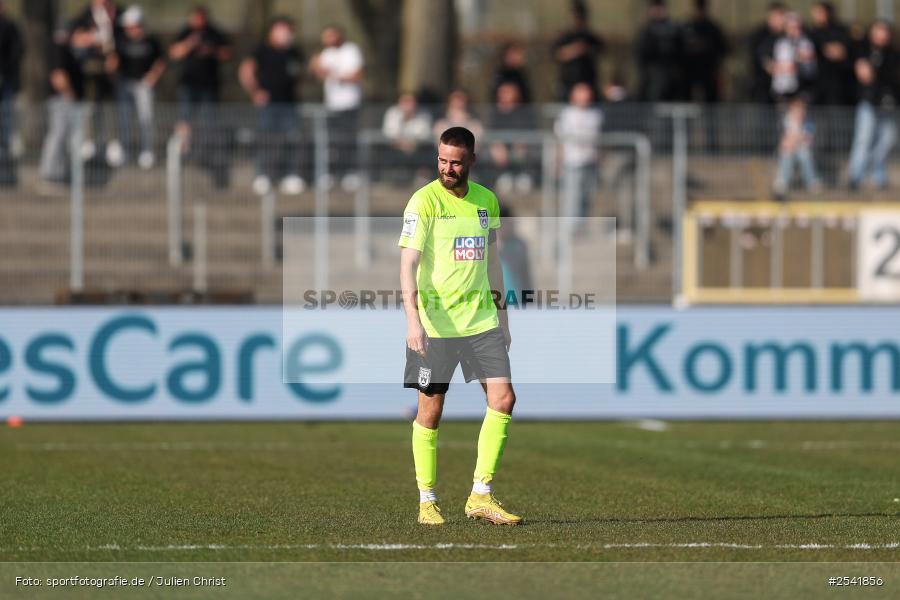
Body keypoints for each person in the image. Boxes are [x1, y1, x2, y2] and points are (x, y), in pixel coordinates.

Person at [399, 126, 521, 526]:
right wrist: (413, 322)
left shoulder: (486, 201)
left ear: (471, 160)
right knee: (430, 412)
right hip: (434, 325)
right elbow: (407, 265)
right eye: (442, 160)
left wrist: (502, 316)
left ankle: (480, 495)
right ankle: (427, 501)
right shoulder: (424, 202)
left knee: (503, 400)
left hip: (481, 321)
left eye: (455, 162)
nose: (447, 169)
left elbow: (491, 264)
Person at [239, 16, 305, 196]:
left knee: (293, 139)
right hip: (269, 105)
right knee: (267, 139)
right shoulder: (261, 50)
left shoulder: (294, 52)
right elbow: (246, 71)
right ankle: (264, 175)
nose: (286, 34)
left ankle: (291, 175)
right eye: (282, 30)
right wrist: (255, 92)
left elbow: (300, 75)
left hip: (290, 104)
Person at [169, 5, 233, 188]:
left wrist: (211, 50)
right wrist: (190, 44)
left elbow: (228, 53)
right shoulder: (185, 33)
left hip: (209, 86)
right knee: (185, 119)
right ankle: (182, 150)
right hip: (188, 85)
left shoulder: (215, 33)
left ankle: (207, 151)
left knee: (209, 121)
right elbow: (174, 53)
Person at [309, 24, 364, 191]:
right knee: (331, 142)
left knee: (348, 140)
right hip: (331, 105)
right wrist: (315, 65)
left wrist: (333, 74)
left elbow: (356, 75)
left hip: (349, 104)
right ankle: (331, 173)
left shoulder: (351, 51)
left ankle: (350, 173)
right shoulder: (326, 54)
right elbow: (318, 74)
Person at [109, 6, 165, 170]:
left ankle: (147, 151)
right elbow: (113, 61)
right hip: (125, 85)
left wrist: (153, 76)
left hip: (143, 85)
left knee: (146, 118)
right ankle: (125, 151)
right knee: (124, 120)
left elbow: (161, 60)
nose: (129, 30)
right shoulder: (121, 41)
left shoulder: (151, 40)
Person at [68, 0, 121, 166]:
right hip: (92, 69)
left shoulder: (117, 14)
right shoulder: (84, 17)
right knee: (91, 106)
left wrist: (114, 57)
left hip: (112, 71)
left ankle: (113, 144)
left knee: (111, 107)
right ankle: (89, 141)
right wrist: (93, 39)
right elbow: (74, 38)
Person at [847, 21, 899, 191]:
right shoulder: (863, 51)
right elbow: (865, 76)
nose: (882, 35)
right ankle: (856, 176)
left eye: (885, 32)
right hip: (869, 102)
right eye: (878, 31)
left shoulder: (893, 54)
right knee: (863, 139)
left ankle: (877, 173)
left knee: (888, 140)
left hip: (889, 104)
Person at [38, 27, 87, 191]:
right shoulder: (58, 49)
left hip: (71, 99)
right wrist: (69, 93)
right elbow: (58, 76)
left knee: (68, 138)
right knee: (58, 135)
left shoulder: (70, 51)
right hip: (64, 100)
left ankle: (62, 172)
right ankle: (50, 173)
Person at [554, 82, 603, 220]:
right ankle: (570, 231)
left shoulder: (596, 114)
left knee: (587, 198)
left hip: (590, 162)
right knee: (572, 199)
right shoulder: (566, 114)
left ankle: (583, 229)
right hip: (572, 163)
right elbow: (560, 141)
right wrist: (558, 163)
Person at [486, 82, 536, 194]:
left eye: (509, 91)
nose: (506, 95)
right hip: (502, 152)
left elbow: (531, 132)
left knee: (523, 151)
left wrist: (524, 142)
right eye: (503, 92)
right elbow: (491, 133)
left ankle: (523, 176)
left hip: (521, 150)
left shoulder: (525, 112)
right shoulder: (494, 113)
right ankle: (502, 176)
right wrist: (496, 144)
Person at [551, 1, 604, 101]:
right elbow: (556, 54)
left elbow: (600, 50)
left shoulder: (590, 36)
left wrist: (586, 49)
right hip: (568, 83)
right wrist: (574, 50)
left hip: (588, 82)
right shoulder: (564, 36)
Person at [635, 0, 685, 102]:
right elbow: (641, 53)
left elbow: (681, 51)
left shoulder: (674, 29)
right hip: (652, 73)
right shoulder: (647, 30)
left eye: (660, 9)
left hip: (672, 74)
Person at [773, 95, 821, 199]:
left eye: (802, 110)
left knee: (804, 155)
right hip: (789, 149)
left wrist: (794, 139)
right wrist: (796, 139)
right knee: (787, 154)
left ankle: (812, 182)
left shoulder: (808, 122)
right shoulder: (784, 122)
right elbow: (783, 142)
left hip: (802, 149)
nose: (800, 113)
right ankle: (781, 183)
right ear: (792, 109)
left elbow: (808, 140)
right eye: (797, 110)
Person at [682, 0, 728, 104]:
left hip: (709, 71)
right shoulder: (687, 27)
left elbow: (722, 49)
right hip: (690, 72)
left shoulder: (712, 28)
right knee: (687, 99)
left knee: (711, 102)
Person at [380, 92, 432, 183]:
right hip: (395, 149)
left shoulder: (424, 114)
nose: (408, 105)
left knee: (427, 152)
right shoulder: (392, 113)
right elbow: (389, 134)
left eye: (410, 102)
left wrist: (410, 143)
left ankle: (421, 179)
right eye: (405, 102)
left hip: (417, 149)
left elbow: (424, 135)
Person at [809, 1, 853, 107]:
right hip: (816, 84)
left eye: (820, 12)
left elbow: (842, 52)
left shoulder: (840, 31)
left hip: (838, 84)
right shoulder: (811, 33)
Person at [0, 0, 23, 186]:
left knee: (6, 130)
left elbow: (17, 53)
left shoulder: (9, 27)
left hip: (5, 85)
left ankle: (6, 174)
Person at [749, 2, 786, 103]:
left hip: (785, 87)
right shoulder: (760, 35)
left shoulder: (789, 35)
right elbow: (757, 55)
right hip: (763, 85)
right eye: (776, 17)